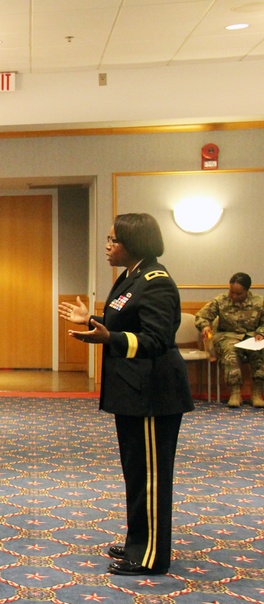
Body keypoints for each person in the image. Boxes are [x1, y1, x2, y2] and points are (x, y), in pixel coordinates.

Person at [59, 213, 193, 576]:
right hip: (134, 391)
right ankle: (139, 541)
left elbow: (156, 340)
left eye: (113, 240)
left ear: (134, 243)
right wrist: (90, 321)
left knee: (150, 475)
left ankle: (151, 556)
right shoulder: (131, 275)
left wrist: (108, 338)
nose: (107, 246)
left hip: (153, 394)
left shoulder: (156, 281)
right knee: (136, 472)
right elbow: (124, 322)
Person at [194, 272, 264, 407]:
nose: (234, 296)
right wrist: (205, 326)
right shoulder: (221, 300)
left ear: (247, 291)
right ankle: (235, 393)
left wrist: (261, 333)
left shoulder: (259, 302)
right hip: (227, 335)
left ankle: (257, 393)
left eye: (239, 294)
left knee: (260, 352)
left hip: (251, 336)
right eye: (232, 292)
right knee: (230, 350)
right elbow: (201, 316)